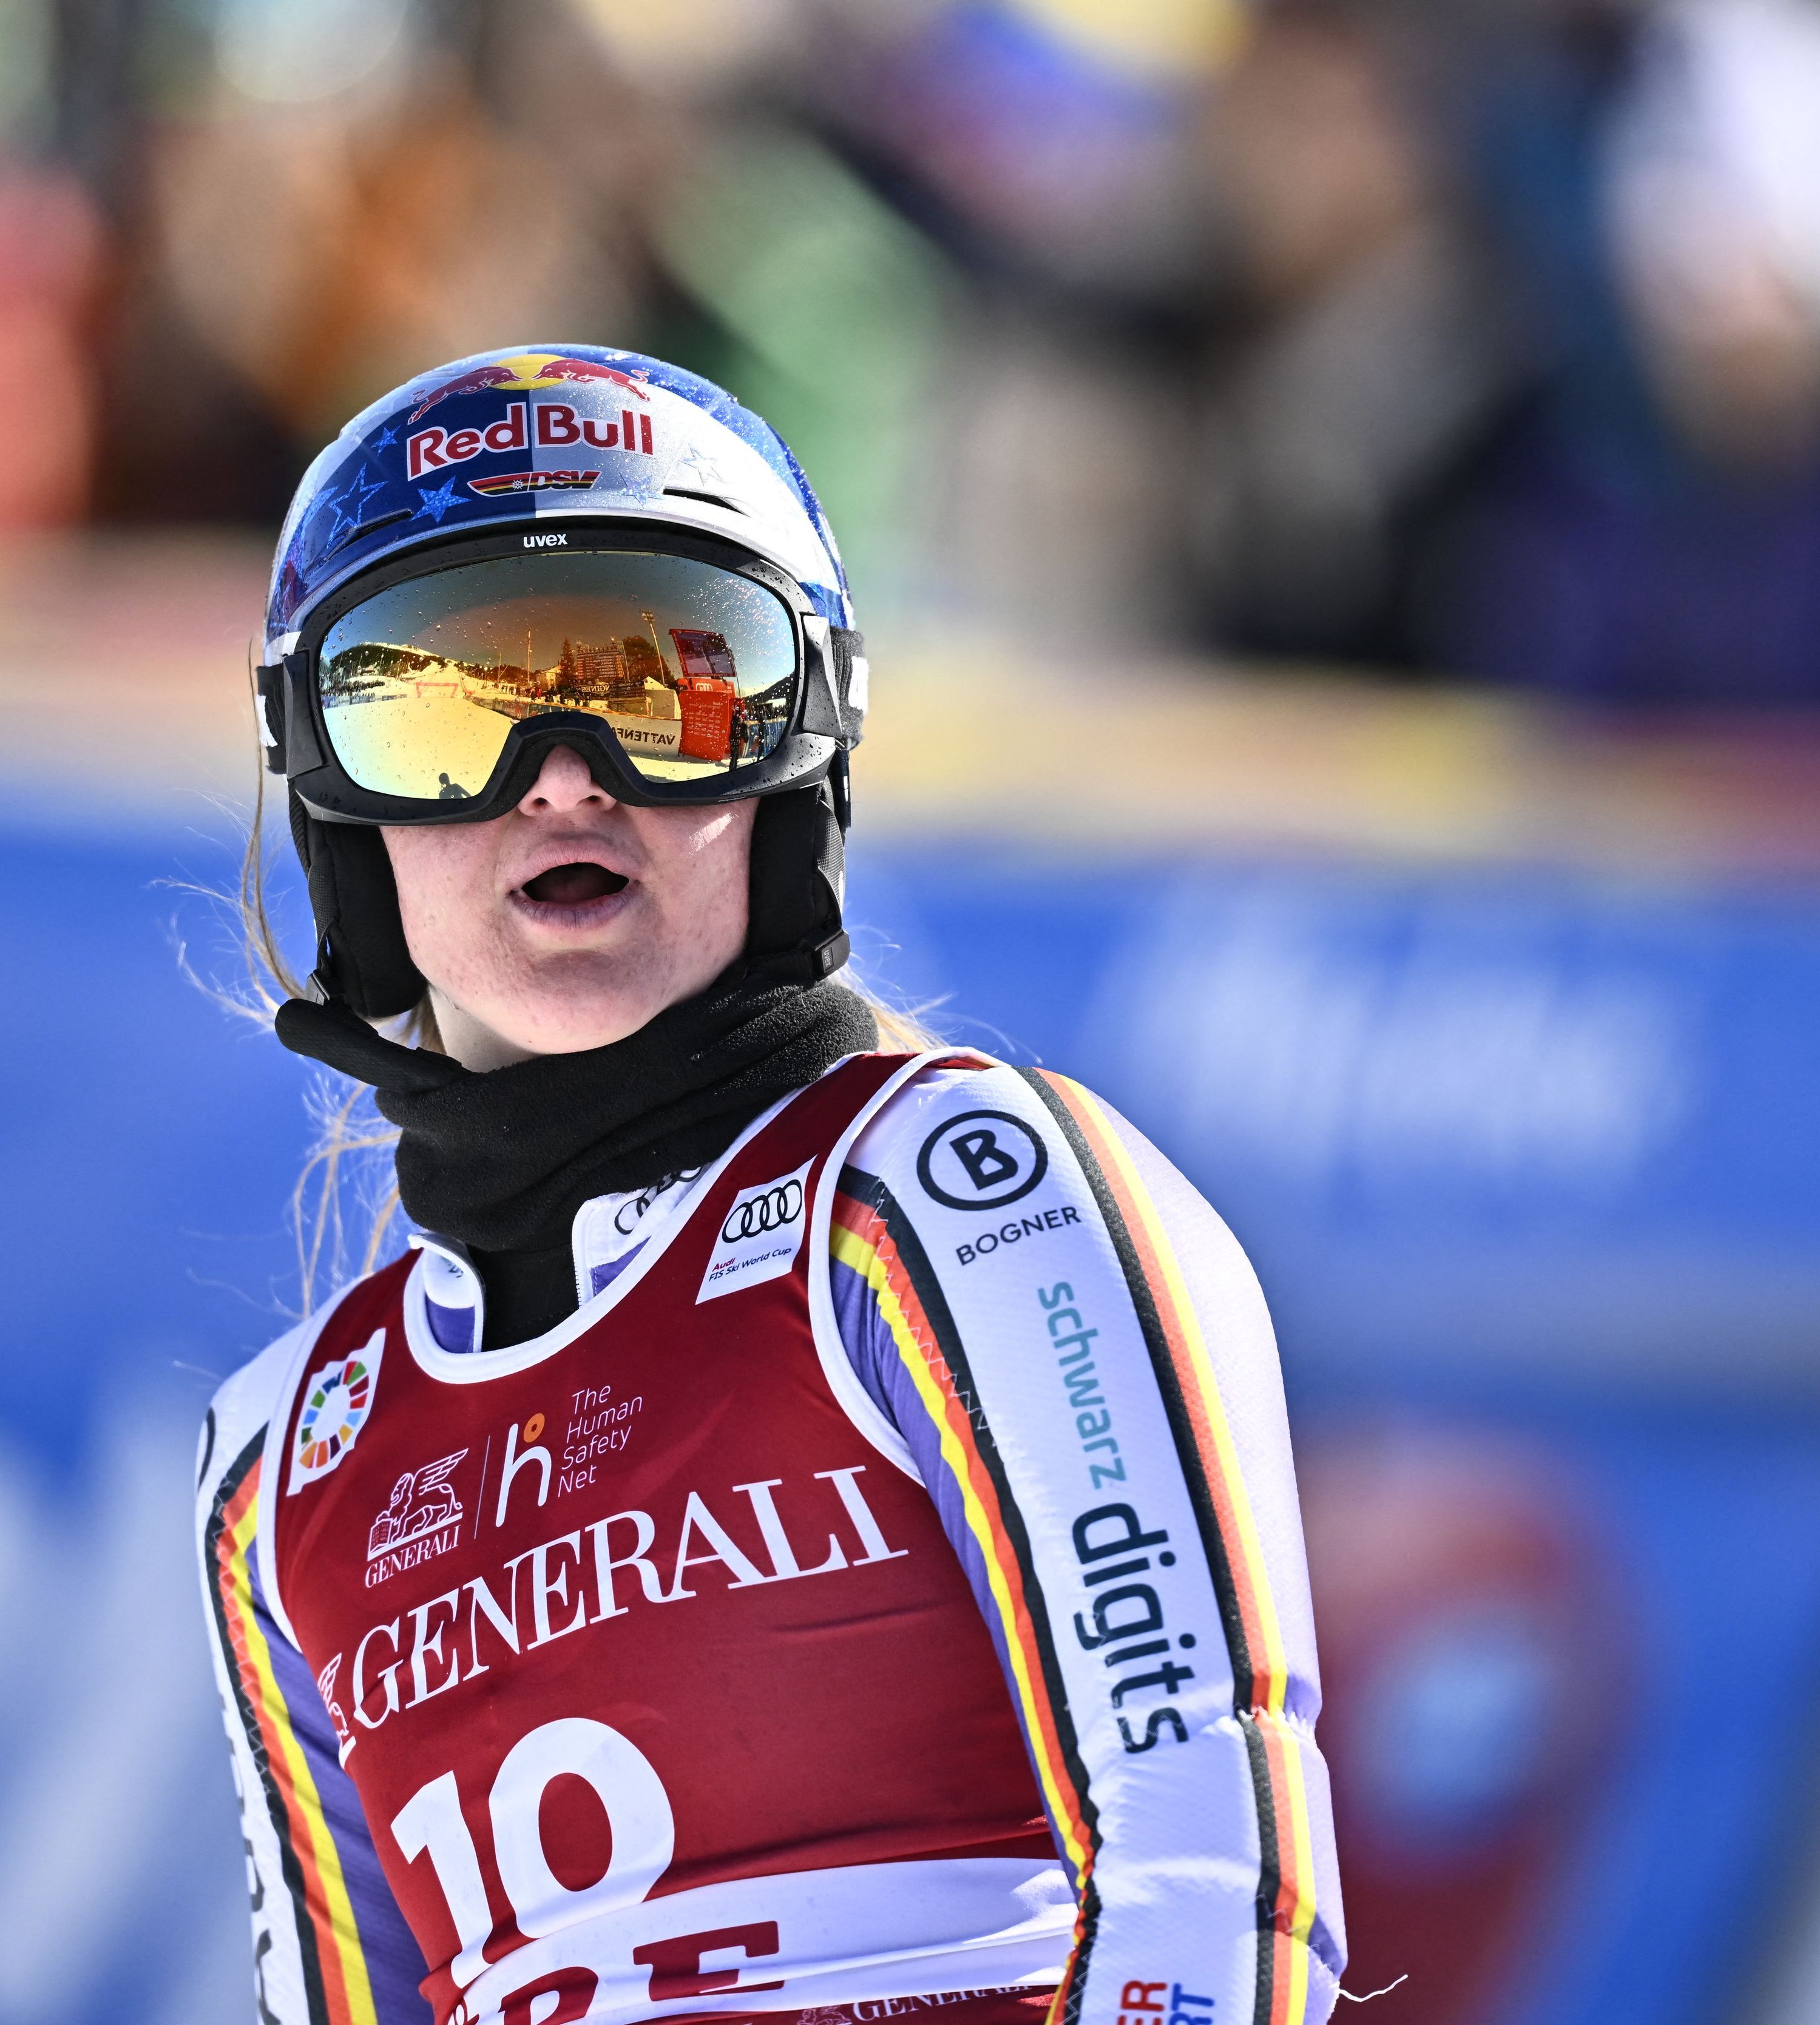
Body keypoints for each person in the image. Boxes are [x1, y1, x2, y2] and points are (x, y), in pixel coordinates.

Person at [195, 345, 1344, 2025]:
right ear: (334, 809)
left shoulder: (951, 1205)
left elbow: (1218, 1883)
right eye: (442, 708)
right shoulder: (280, 1463)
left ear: (796, 763)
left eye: (670, 684)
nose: (564, 777)